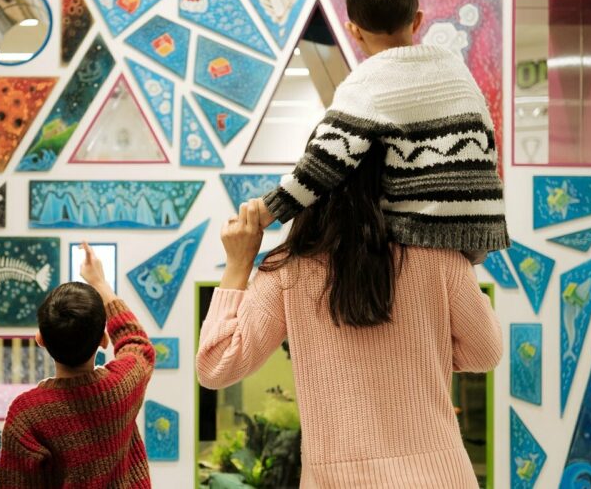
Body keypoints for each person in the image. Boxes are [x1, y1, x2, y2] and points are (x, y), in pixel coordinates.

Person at [198, 147, 503, 488]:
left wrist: (239, 262)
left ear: (311, 181)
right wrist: (423, 354)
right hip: (441, 477)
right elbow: (484, 353)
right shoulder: (441, 256)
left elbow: (216, 365)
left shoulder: (289, 270)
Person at [255, 0, 508, 264]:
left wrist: (267, 210)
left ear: (353, 30)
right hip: (479, 233)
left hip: (419, 236)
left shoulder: (368, 81)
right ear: (417, 21)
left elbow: (325, 161)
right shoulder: (456, 69)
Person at [0, 243, 156, 488]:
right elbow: (136, 343)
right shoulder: (121, 387)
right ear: (103, 340)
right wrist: (100, 283)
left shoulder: (27, 415)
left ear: (40, 339)